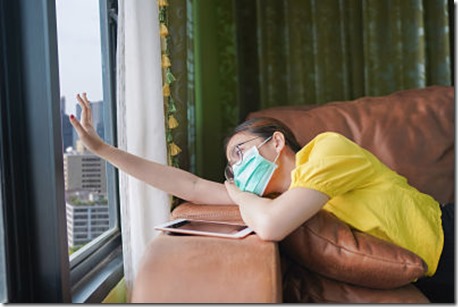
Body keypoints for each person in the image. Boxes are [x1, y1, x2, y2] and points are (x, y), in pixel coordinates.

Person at [70, 93, 453, 303]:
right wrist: (103, 149)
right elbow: (189, 185)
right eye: (231, 167)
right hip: (439, 275)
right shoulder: (275, 195)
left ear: (278, 142)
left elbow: (271, 225)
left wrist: (236, 192)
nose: (236, 171)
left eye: (240, 154)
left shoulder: (325, 151)